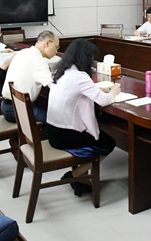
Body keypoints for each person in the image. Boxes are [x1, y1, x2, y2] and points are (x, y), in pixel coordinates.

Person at [47, 39, 119, 196]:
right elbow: (104, 100)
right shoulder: (79, 76)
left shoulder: (61, 71)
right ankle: (75, 174)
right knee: (108, 143)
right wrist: (114, 91)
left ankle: (82, 180)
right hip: (66, 136)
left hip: (53, 131)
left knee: (93, 134)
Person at [2, 30, 59, 124]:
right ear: (47, 43)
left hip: (6, 106)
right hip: (18, 110)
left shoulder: (23, 52)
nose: (56, 51)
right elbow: (53, 87)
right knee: (53, 123)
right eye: (56, 47)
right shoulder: (38, 60)